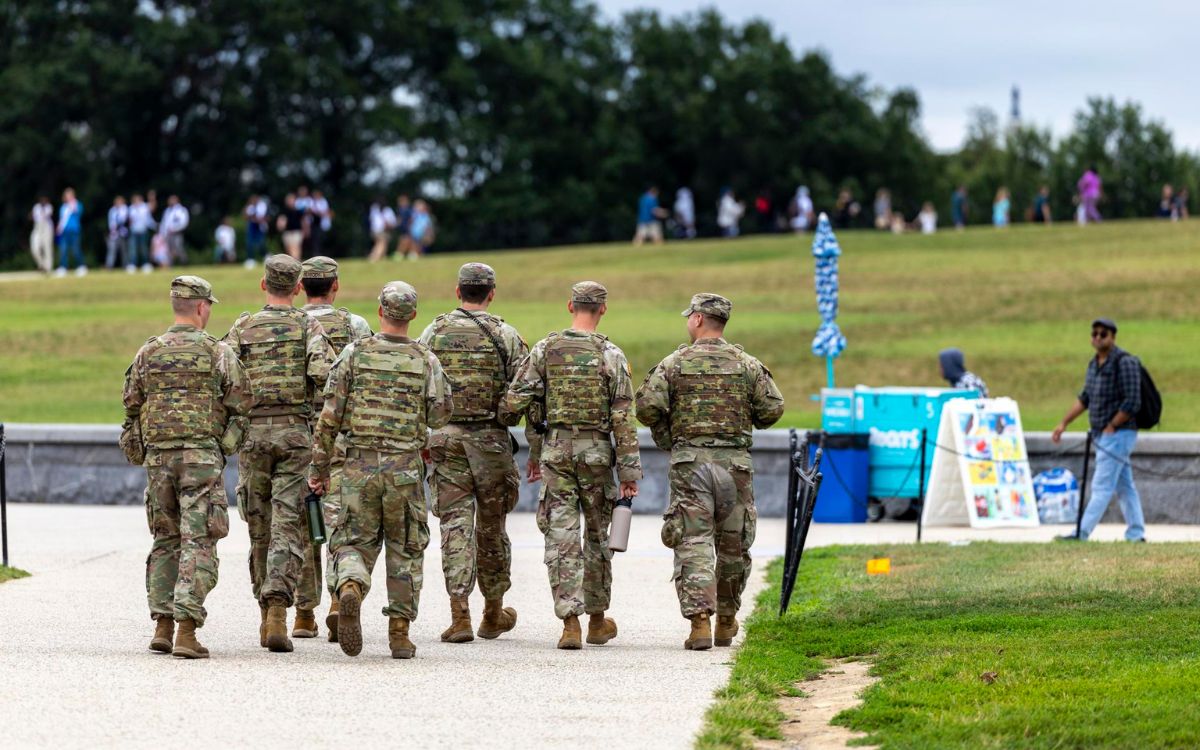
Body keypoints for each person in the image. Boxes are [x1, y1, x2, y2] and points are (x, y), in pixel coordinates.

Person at [309, 281, 452, 659]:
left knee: (353, 539)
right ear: (413, 316)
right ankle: (400, 632)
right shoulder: (425, 359)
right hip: (404, 469)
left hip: (357, 467)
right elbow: (441, 414)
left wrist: (319, 468)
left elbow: (329, 417)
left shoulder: (354, 354)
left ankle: (352, 585)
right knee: (405, 548)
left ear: (380, 311)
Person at [634, 294, 784, 651]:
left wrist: (668, 436)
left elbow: (646, 407)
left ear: (699, 320)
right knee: (733, 544)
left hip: (691, 465)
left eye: (690, 317)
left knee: (694, 541)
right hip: (735, 466)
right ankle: (728, 619)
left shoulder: (674, 363)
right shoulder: (747, 364)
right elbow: (771, 410)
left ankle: (700, 622)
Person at [499, 281, 641, 650]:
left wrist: (533, 434)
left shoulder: (546, 349)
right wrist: (629, 473)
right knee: (597, 536)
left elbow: (516, 400)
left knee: (561, 537)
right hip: (596, 452)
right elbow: (624, 419)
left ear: (570, 306)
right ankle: (597, 620)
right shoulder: (611, 355)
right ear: (603, 309)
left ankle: (570, 624)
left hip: (557, 451)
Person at [120, 275, 253, 658]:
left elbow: (131, 404)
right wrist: (222, 447)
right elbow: (242, 408)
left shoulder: (149, 352)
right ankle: (186, 631)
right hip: (200, 460)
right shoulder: (217, 353)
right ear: (200, 307)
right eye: (209, 305)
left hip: (159, 460)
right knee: (199, 540)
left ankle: (162, 624)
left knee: (165, 540)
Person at [223, 255, 334, 653]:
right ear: (298, 287)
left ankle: (264, 609)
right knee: (289, 523)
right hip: (294, 434)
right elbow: (326, 379)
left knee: (259, 527)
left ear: (263, 284)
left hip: (253, 434)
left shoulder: (243, 326)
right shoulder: (308, 326)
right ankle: (277, 609)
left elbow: (224, 377)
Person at [418, 263, 533, 645]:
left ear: (458, 292)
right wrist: (505, 413)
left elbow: (419, 384)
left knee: (454, 527)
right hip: (491, 443)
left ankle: (459, 615)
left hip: (446, 441)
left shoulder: (434, 331)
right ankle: (493, 611)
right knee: (492, 527)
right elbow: (527, 387)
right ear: (491, 293)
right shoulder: (507, 335)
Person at [293, 255, 373, 640]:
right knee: (341, 518)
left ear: (300, 287)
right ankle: (340, 598)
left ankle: (303, 613)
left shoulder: (290, 325)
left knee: (303, 519)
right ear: (335, 286)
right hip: (341, 435)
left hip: (297, 433)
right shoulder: (355, 325)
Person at [1051, 318, 1145, 542]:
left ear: (1113, 337)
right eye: (1094, 334)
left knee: (1101, 485)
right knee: (1125, 486)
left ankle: (1081, 533)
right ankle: (1136, 533)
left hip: (1119, 433)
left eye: (1103, 334)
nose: (1098, 338)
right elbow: (1085, 398)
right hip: (1103, 434)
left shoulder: (1125, 362)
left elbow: (1133, 401)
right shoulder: (1094, 364)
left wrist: (1112, 425)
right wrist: (1064, 423)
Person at [55, 187, 86, 277]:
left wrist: (73, 204)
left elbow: (79, 212)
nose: (68, 197)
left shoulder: (77, 204)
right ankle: (63, 267)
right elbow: (61, 220)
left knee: (76, 249)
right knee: (63, 250)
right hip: (64, 232)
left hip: (74, 231)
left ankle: (81, 266)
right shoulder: (63, 207)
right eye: (66, 195)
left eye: (70, 195)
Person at [128, 194, 155, 272]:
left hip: (143, 230)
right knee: (133, 249)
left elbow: (153, 207)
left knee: (144, 248)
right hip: (134, 231)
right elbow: (130, 221)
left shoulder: (145, 207)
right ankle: (133, 264)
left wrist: (152, 198)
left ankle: (145, 264)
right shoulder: (131, 208)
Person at [161, 195, 190, 266]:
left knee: (179, 248)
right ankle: (170, 265)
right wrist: (163, 233)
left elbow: (184, 222)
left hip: (177, 233)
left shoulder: (181, 210)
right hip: (168, 233)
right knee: (169, 250)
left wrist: (176, 229)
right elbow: (164, 223)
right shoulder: (167, 210)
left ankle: (184, 263)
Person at [29, 195, 55, 273]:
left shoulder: (49, 207)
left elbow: (47, 215)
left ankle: (48, 268)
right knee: (34, 248)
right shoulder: (36, 207)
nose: (43, 201)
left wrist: (40, 213)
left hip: (47, 228)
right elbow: (32, 217)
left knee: (47, 248)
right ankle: (42, 264)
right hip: (37, 228)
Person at [367, 197, 396, 262]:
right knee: (382, 244)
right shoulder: (388, 210)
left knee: (379, 244)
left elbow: (371, 219)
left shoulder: (373, 209)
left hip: (374, 230)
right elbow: (393, 221)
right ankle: (374, 257)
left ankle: (381, 258)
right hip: (383, 230)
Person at [105, 196, 130, 271]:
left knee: (124, 250)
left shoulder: (125, 209)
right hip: (114, 233)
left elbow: (124, 220)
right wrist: (112, 230)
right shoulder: (112, 210)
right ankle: (109, 266)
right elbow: (111, 222)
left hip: (123, 233)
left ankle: (126, 265)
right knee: (112, 250)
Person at [244, 195, 269, 268]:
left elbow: (261, 218)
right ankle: (250, 259)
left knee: (260, 243)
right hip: (252, 227)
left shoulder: (262, 206)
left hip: (260, 227)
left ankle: (266, 256)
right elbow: (246, 216)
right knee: (249, 243)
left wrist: (253, 217)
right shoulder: (250, 207)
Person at [277, 193, 304, 259]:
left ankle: (297, 263)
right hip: (287, 232)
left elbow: (302, 221)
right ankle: (293, 264)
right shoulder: (284, 211)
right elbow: (280, 221)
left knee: (295, 248)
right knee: (289, 250)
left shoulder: (298, 211)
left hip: (296, 232)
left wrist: (305, 230)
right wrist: (280, 226)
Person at [310, 190, 332, 255]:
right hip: (315, 223)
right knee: (316, 240)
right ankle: (316, 253)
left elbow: (326, 212)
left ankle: (322, 252)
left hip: (322, 223)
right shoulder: (312, 202)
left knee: (322, 239)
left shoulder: (323, 201)